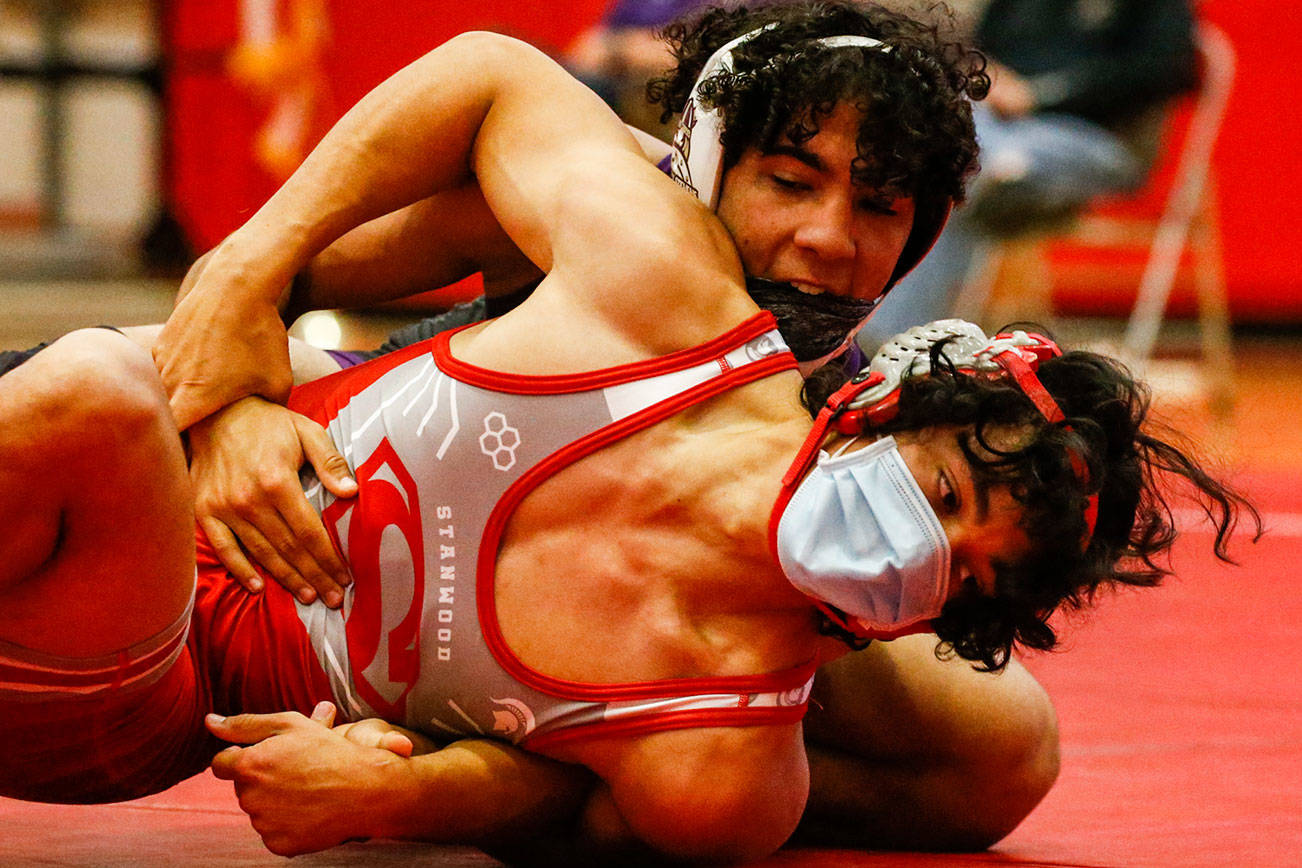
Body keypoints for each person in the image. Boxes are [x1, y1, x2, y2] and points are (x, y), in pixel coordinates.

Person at [859, 0, 1199, 349]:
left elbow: (1167, 69)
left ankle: (878, 343)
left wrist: (1039, 97)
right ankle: (995, 177)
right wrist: (986, 76)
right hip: (998, 127)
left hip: (1095, 138)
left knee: (953, 170)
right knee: (940, 147)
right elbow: (977, 47)